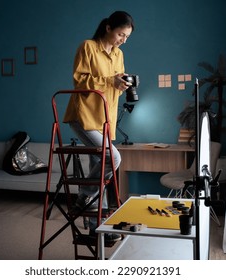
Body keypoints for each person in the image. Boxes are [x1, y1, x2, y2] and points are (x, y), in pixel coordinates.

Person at [63, 11, 135, 241]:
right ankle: (84, 195)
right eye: (120, 34)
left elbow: (113, 87)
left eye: (126, 37)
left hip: (105, 117)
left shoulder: (119, 54)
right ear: (108, 28)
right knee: (112, 157)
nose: (123, 40)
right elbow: (80, 80)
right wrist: (109, 81)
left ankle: (97, 230)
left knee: (100, 170)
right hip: (83, 114)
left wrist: (121, 85)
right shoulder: (88, 47)